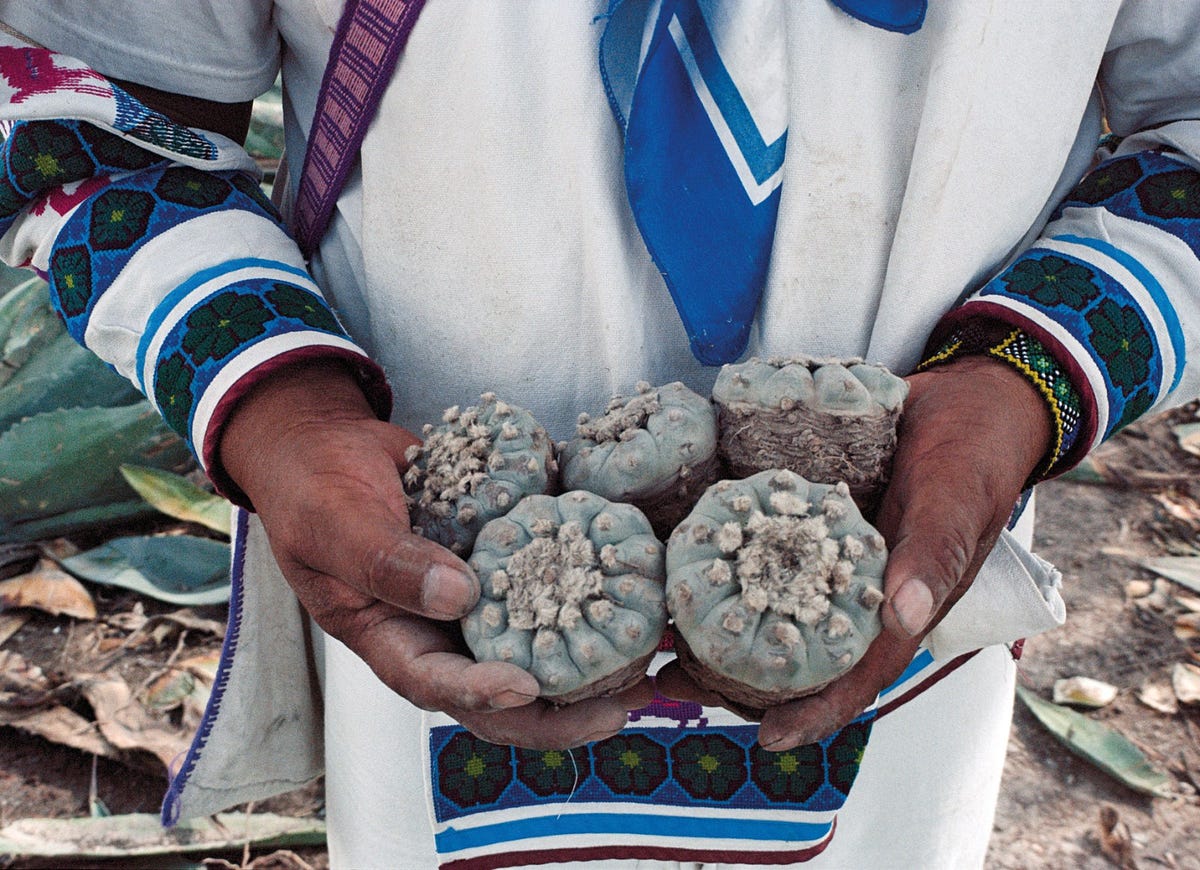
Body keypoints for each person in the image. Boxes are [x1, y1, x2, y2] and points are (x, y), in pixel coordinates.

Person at [0, 1, 1196, 866]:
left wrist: (1029, 375)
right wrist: (281, 403)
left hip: (922, 585)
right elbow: (90, 104)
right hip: (415, 548)